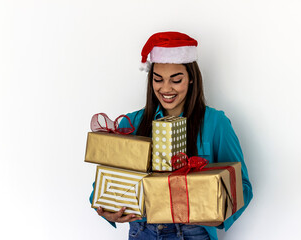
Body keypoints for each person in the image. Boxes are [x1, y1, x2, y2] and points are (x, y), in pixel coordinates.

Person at [90, 31, 253, 240]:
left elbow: (243, 186)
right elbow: (104, 184)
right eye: (158, 79)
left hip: (192, 233)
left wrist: (220, 215)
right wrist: (107, 211)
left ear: (192, 79)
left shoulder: (215, 123)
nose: (166, 88)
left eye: (176, 80)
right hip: (142, 231)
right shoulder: (131, 123)